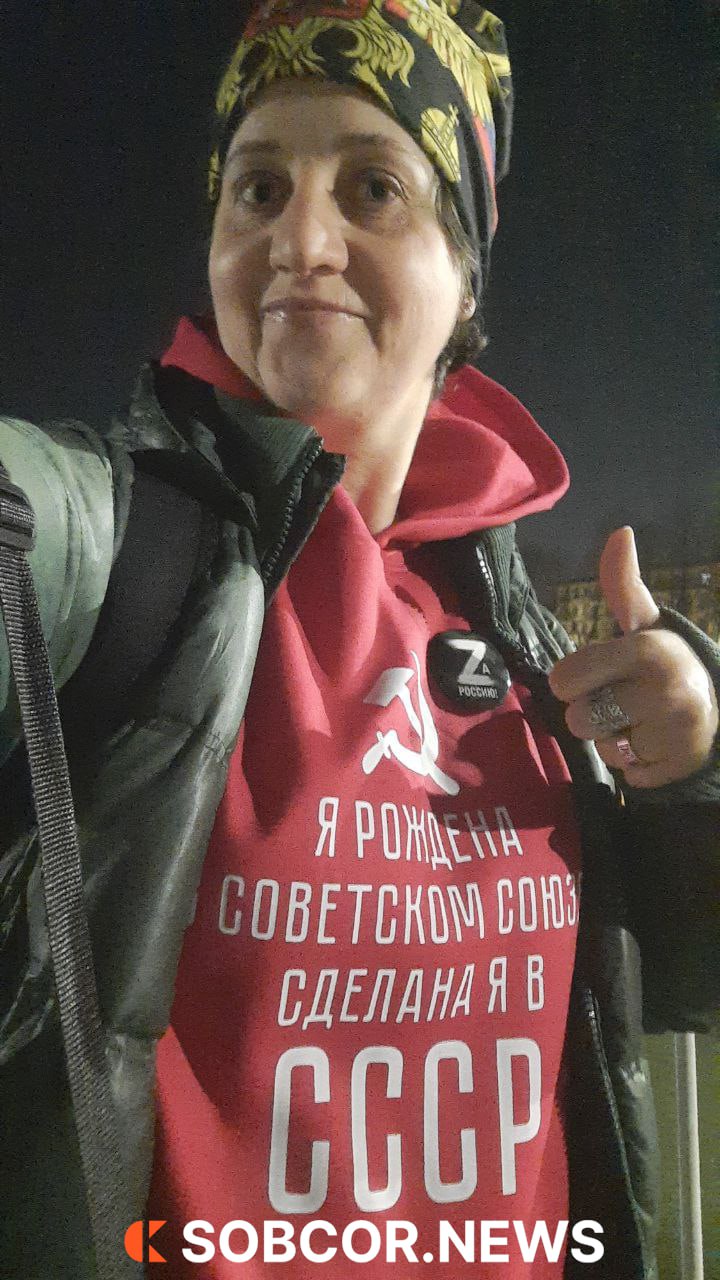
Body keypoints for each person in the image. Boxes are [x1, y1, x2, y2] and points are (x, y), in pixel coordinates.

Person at [0, 3, 718, 1277]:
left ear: (465, 278)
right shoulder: (112, 553)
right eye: (257, 188)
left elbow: (684, 978)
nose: (300, 239)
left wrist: (696, 752)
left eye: (373, 187)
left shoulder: (521, 630)